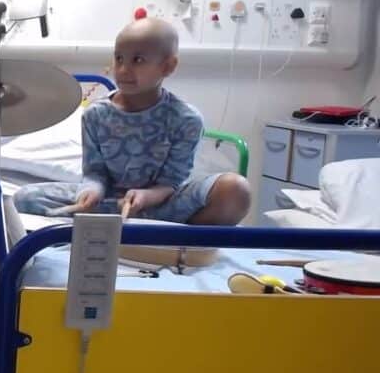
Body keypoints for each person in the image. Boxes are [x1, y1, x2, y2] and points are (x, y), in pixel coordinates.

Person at [14, 17, 250, 224]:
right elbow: (95, 173)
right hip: (110, 201)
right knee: (24, 198)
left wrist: (147, 197)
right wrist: (91, 192)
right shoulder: (96, 115)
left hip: (163, 202)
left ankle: (160, 228)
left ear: (168, 66)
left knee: (235, 190)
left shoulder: (186, 120)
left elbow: (172, 183)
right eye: (119, 59)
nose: (124, 70)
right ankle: (141, 225)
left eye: (138, 60)